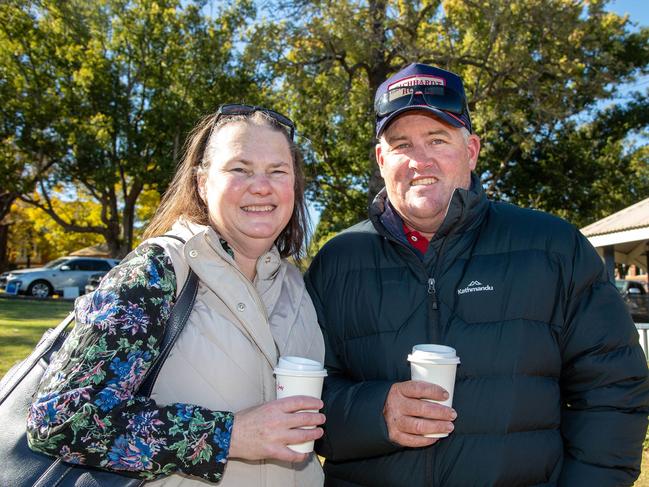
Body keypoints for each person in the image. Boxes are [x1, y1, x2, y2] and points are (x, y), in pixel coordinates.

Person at [304, 63, 649, 486]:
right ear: (381, 159)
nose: (419, 160)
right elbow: (303, 398)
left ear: (471, 150)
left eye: (437, 139)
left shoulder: (552, 247)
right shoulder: (337, 262)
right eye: (401, 144)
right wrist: (375, 412)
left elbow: (614, 390)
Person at [26, 104, 326, 486]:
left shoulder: (297, 285)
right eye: (240, 169)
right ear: (202, 183)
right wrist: (228, 436)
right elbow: (60, 419)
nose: (261, 186)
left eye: (277, 171)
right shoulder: (157, 271)